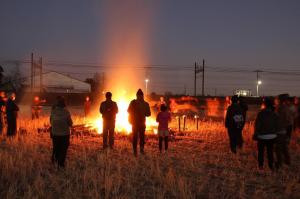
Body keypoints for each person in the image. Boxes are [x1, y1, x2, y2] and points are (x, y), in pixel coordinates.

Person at [253, 98, 279, 170]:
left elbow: (257, 125)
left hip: (262, 136)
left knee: (261, 152)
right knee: (270, 152)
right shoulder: (275, 114)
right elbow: (277, 125)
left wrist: (255, 133)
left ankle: (260, 166)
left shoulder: (261, 113)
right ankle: (271, 165)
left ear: (265, 105)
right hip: (272, 136)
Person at [50, 96, 73, 168]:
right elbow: (70, 123)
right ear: (64, 104)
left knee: (56, 147)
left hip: (55, 133)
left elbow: (51, 121)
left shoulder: (53, 112)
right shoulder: (66, 112)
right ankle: (61, 164)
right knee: (63, 149)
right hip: (64, 134)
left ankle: (55, 160)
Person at [128, 89, 151, 156]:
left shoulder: (133, 102)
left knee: (135, 137)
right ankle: (141, 150)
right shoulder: (146, 104)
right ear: (142, 95)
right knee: (142, 137)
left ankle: (135, 151)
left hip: (134, 123)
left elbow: (128, 110)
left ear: (136, 95)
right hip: (142, 123)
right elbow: (148, 114)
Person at [275, 94, 291, 169]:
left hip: (279, 131)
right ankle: (287, 161)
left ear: (280, 100)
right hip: (283, 130)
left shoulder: (280, 108)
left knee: (278, 148)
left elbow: (279, 120)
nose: (276, 100)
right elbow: (289, 121)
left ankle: (279, 163)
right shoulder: (286, 108)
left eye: (278, 99)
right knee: (284, 147)